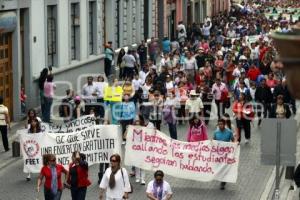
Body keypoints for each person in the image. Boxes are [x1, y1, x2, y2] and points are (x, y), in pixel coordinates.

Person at [213, 119, 235, 190]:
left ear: (224, 124)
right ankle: (222, 179)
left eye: (221, 124)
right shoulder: (216, 132)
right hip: (218, 154)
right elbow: (213, 141)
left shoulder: (229, 132)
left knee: (224, 167)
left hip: (226, 154)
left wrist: (235, 144)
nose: (220, 125)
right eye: (219, 124)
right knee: (220, 167)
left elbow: (233, 140)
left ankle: (223, 182)